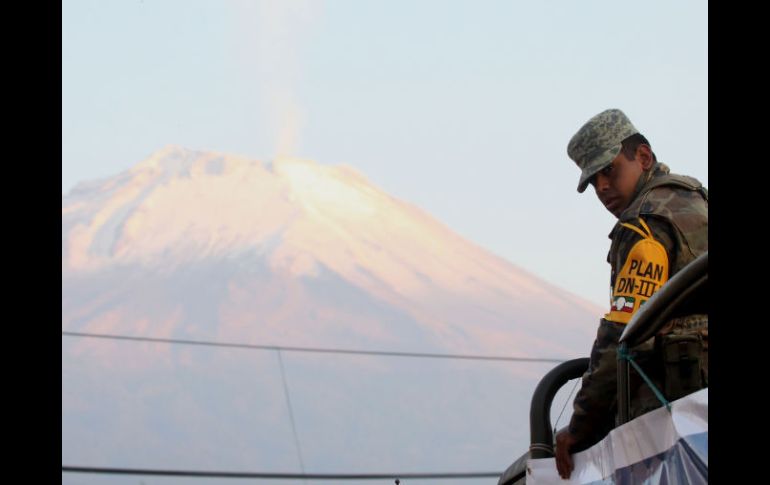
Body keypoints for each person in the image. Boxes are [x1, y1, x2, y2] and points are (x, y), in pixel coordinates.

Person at [554, 109, 708, 479]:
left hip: (676, 435)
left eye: (609, 171)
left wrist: (578, 429)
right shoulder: (698, 203)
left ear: (643, 157)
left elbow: (622, 336)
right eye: (593, 182)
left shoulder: (644, 226)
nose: (603, 187)